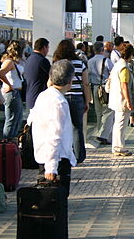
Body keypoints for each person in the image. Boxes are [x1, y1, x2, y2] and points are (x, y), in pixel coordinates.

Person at [29, 59, 77, 196]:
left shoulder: (43, 96)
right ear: (69, 81)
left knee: (47, 201)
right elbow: (54, 135)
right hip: (57, 158)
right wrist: (51, 167)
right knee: (56, 201)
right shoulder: (59, 102)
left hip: (44, 154)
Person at [53, 40, 91, 164]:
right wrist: (87, 100)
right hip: (77, 98)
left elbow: (51, 82)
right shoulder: (80, 63)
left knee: (60, 127)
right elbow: (85, 83)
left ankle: (63, 154)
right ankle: (79, 155)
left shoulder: (57, 64)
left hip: (61, 97)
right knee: (77, 128)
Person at [107, 44, 134, 157]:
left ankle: (118, 146)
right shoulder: (124, 67)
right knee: (121, 124)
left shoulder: (118, 65)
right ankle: (119, 148)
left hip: (115, 97)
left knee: (118, 123)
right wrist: (128, 100)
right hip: (121, 99)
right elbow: (124, 85)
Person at [87, 41, 114, 144]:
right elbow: (113, 72)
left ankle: (99, 132)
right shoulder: (106, 60)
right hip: (105, 87)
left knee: (98, 112)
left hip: (94, 87)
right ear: (102, 50)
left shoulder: (90, 61)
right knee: (108, 111)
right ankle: (104, 135)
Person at [0, 40, 24, 140]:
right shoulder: (9, 62)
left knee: (17, 118)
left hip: (15, 92)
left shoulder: (13, 62)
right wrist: (9, 85)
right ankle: (7, 142)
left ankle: (10, 141)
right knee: (11, 120)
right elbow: (1, 73)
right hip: (12, 92)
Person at [24, 38, 50, 110]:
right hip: (40, 97)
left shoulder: (29, 59)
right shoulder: (42, 61)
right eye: (48, 48)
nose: (48, 50)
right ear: (44, 47)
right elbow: (52, 77)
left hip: (30, 96)